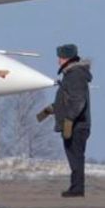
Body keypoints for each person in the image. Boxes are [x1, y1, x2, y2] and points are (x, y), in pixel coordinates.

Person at [37, 43, 92, 197]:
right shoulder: (71, 75)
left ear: (68, 59)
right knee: (74, 157)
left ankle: (77, 189)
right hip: (74, 124)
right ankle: (76, 187)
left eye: (61, 58)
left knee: (76, 157)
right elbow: (65, 101)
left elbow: (78, 101)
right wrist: (48, 111)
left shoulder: (75, 75)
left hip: (77, 125)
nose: (58, 61)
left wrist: (69, 121)